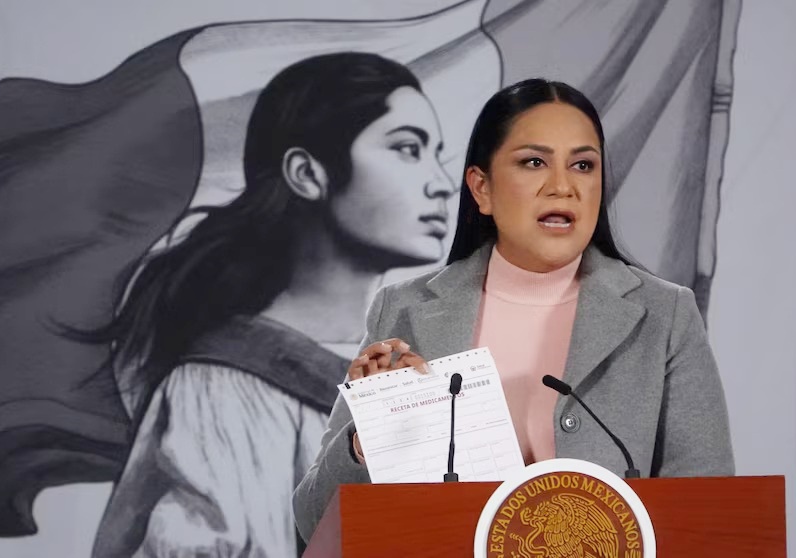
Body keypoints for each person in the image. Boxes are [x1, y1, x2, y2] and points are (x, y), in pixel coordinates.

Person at [292, 79, 735, 540]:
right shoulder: (403, 312)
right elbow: (313, 521)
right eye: (534, 162)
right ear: (481, 188)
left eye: (583, 165)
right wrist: (370, 438)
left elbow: (710, 514)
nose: (563, 186)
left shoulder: (664, 315)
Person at [90, 52, 455, 557]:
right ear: (307, 173)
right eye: (407, 149)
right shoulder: (224, 390)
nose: (442, 183)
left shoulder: (426, 363)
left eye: (436, 154)